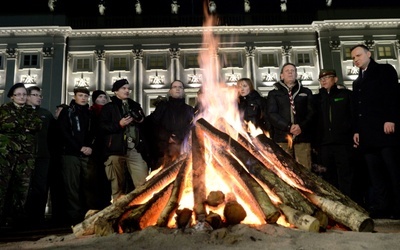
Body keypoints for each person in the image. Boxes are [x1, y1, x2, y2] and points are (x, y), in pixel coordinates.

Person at [351, 44, 400, 219]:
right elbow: (357, 108)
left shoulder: (384, 70)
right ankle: (383, 206)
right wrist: (356, 131)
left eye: (358, 55)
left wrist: (390, 118)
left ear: (369, 54)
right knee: (375, 174)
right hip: (367, 135)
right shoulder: (357, 82)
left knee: (393, 171)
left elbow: (393, 94)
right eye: (353, 57)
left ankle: (398, 207)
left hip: (385, 131)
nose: (356, 59)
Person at [0, 83, 42, 227]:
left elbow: (37, 125)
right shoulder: (4, 109)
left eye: (24, 94)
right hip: (6, 155)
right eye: (18, 94)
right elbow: (5, 125)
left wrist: (16, 126)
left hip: (26, 156)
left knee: (22, 187)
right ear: (12, 96)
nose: (22, 97)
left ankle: (15, 219)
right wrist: (23, 127)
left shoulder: (31, 111)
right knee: (2, 186)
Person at [100, 79, 148, 203]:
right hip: (115, 150)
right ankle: (116, 215)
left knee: (143, 183)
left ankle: (142, 212)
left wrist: (141, 121)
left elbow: (145, 124)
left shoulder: (135, 105)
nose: (127, 91)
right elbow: (101, 127)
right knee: (117, 187)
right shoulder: (108, 107)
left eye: (128, 88)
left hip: (134, 149)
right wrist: (119, 124)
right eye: (123, 88)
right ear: (116, 91)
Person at [313, 69, 354, 197]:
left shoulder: (345, 95)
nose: (323, 80)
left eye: (327, 77)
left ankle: (350, 201)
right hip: (325, 143)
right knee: (328, 175)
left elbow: (353, 116)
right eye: (321, 79)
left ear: (335, 79)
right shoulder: (317, 99)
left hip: (343, 142)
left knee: (346, 174)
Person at [266, 62, 314, 170]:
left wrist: (301, 126)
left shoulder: (306, 92)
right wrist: (288, 127)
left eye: (293, 71)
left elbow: (311, 112)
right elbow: (272, 114)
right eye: (287, 71)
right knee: (285, 168)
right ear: (281, 75)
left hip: (302, 137)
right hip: (282, 137)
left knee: (304, 168)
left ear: (296, 74)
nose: (290, 73)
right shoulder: (274, 94)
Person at [58, 87, 94, 225]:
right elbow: (63, 132)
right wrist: (79, 147)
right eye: (80, 95)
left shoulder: (90, 113)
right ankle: (74, 216)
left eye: (85, 96)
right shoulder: (68, 111)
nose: (83, 98)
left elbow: (94, 132)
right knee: (71, 185)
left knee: (88, 184)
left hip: (87, 154)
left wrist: (90, 147)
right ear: (74, 96)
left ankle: (86, 213)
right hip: (70, 153)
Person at [24, 86, 55, 226]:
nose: (38, 98)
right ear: (27, 96)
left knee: (40, 187)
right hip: (24, 156)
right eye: (35, 95)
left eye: (40, 95)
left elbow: (53, 136)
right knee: (24, 186)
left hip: (43, 155)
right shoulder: (20, 112)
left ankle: (38, 217)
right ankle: (21, 217)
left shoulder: (46, 114)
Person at [147, 80, 194, 169]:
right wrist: (167, 136)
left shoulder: (189, 109)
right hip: (163, 150)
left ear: (183, 91)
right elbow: (153, 125)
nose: (177, 89)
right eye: (175, 87)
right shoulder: (162, 107)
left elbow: (191, 127)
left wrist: (179, 136)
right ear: (170, 91)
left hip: (182, 149)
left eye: (180, 87)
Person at [88, 90, 111, 209]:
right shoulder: (91, 113)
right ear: (95, 99)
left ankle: (106, 204)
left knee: (107, 179)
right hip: (94, 150)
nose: (103, 99)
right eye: (100, 97)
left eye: (104, 97)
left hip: (107, 149)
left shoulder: (110, 112)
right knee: (94, 179)